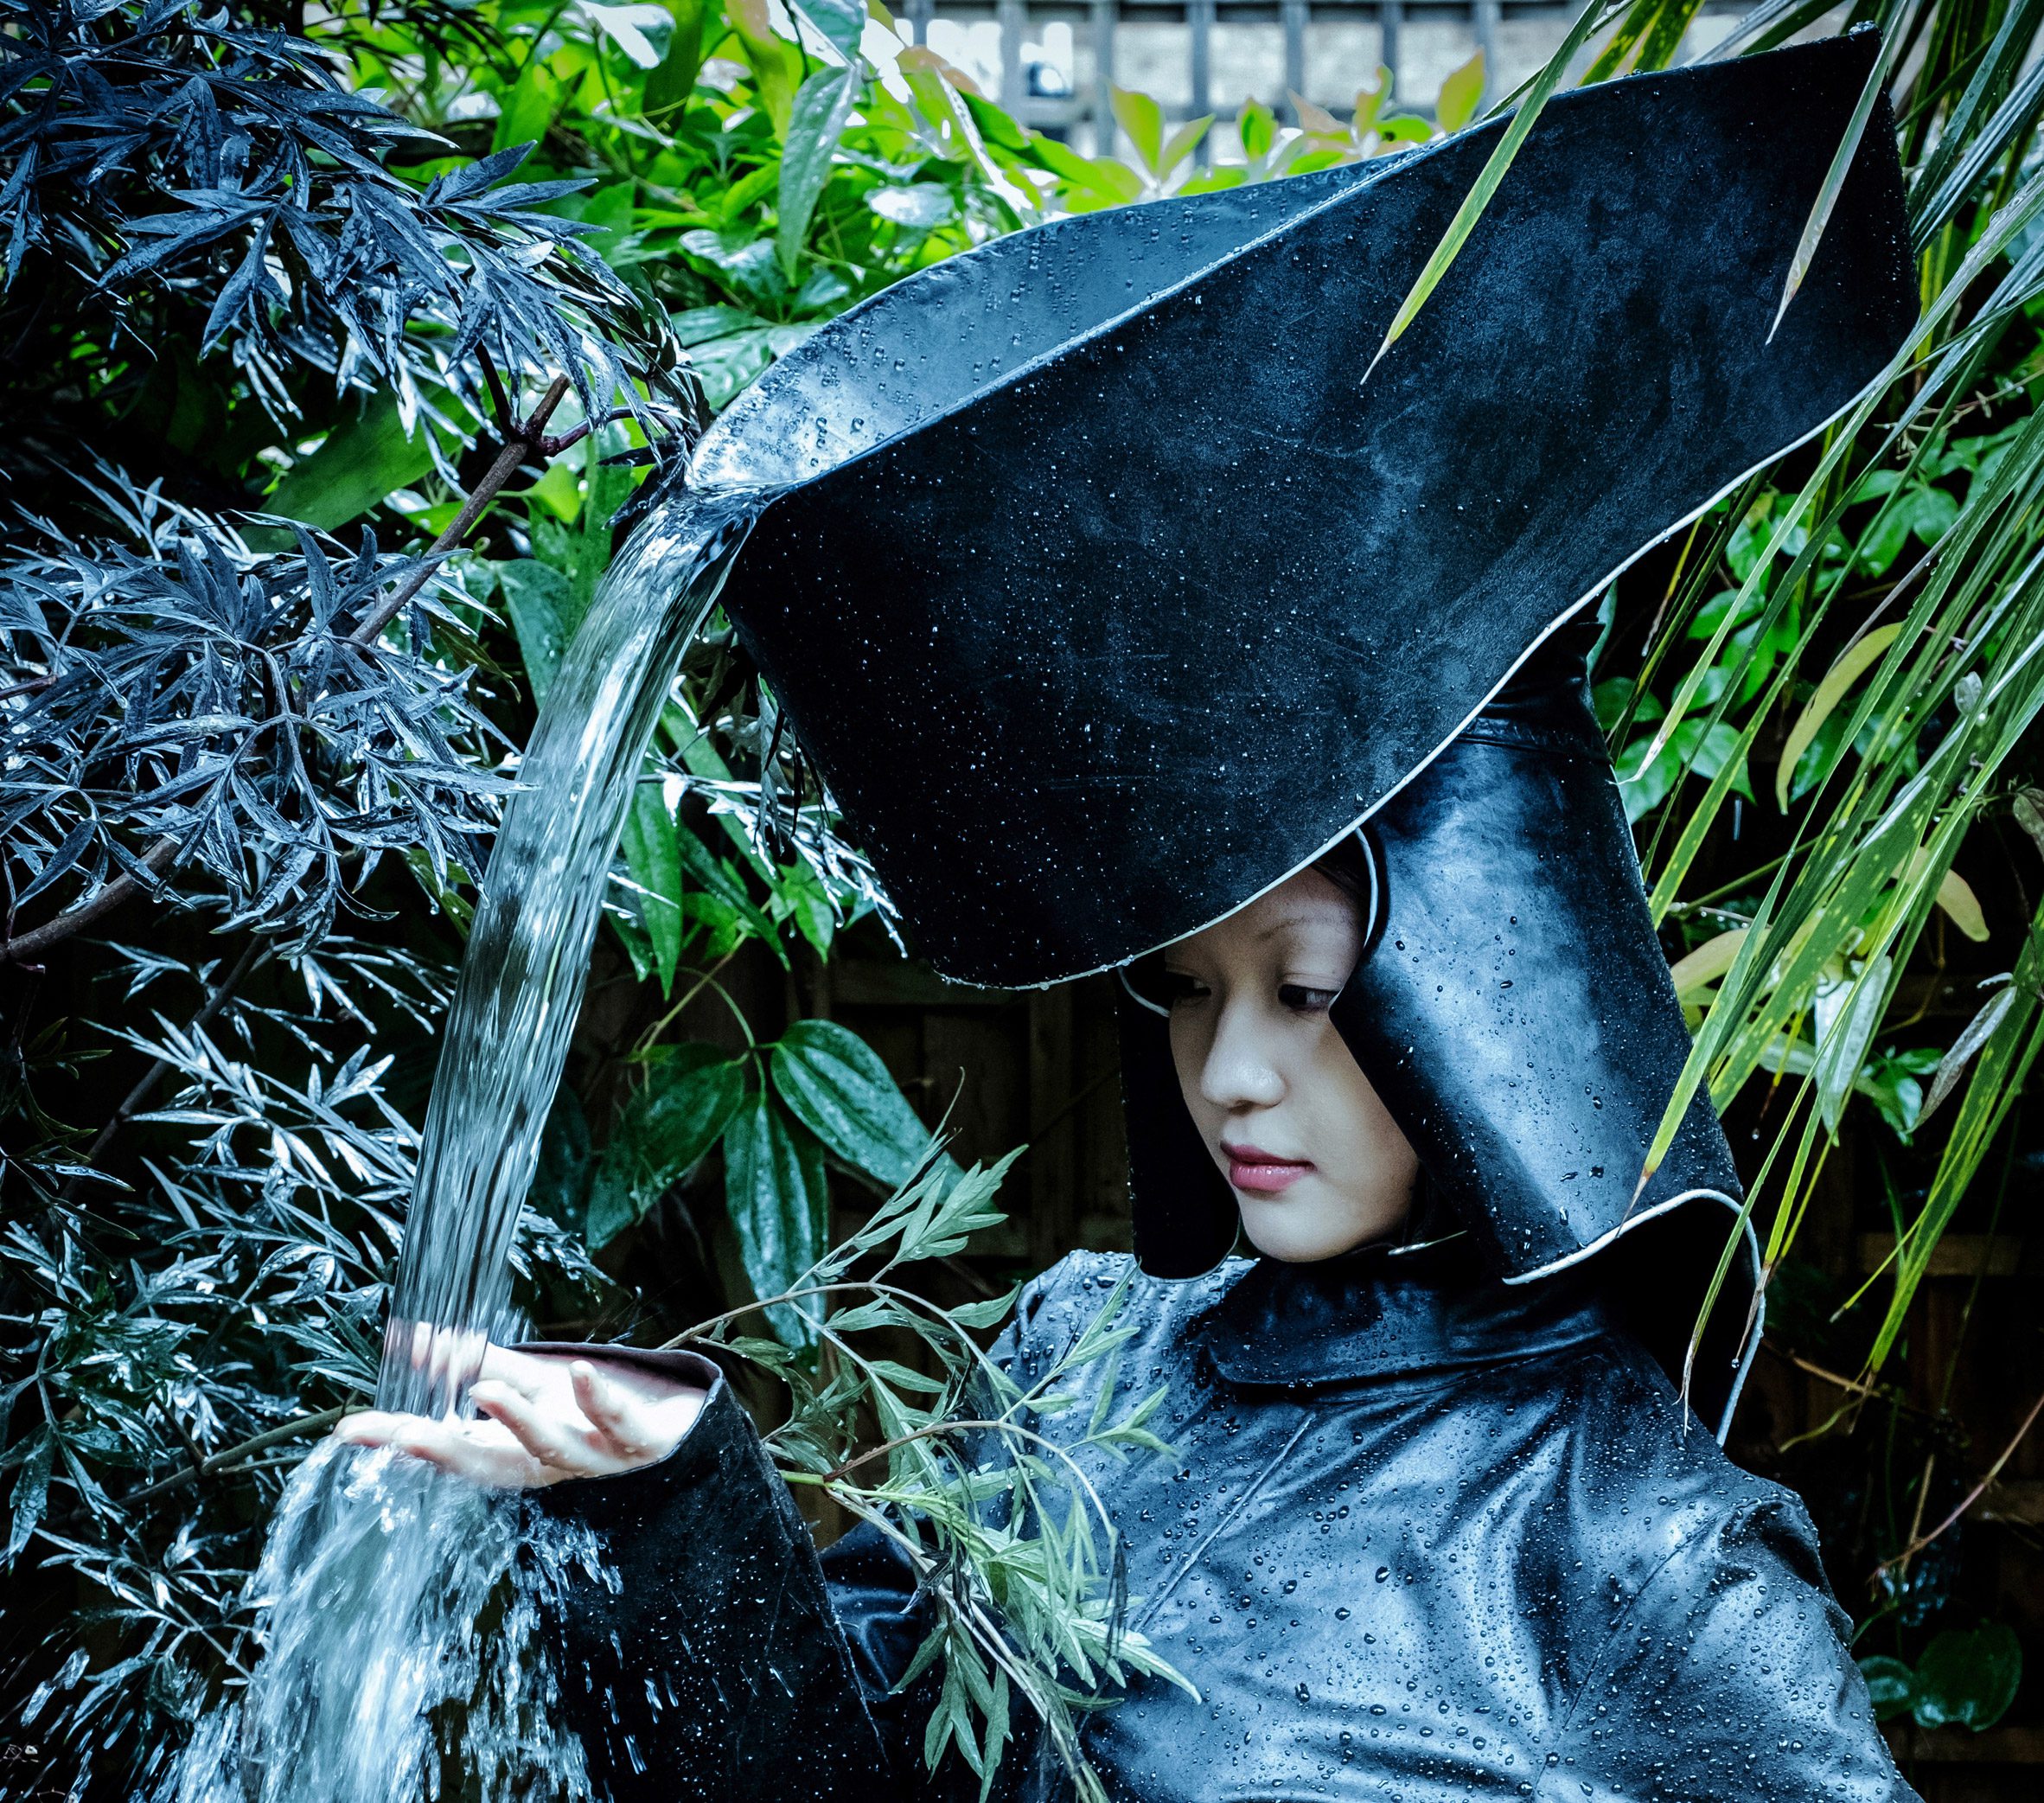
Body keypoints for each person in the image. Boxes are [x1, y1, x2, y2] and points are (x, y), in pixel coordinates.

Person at [338, 28, 1927, 1802]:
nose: (1232, 1071)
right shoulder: (1081, 1353)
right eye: (1188, 991)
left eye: (1311, 995)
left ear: (1478, 1002)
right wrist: (658, 1501)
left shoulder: (1625, 1540)